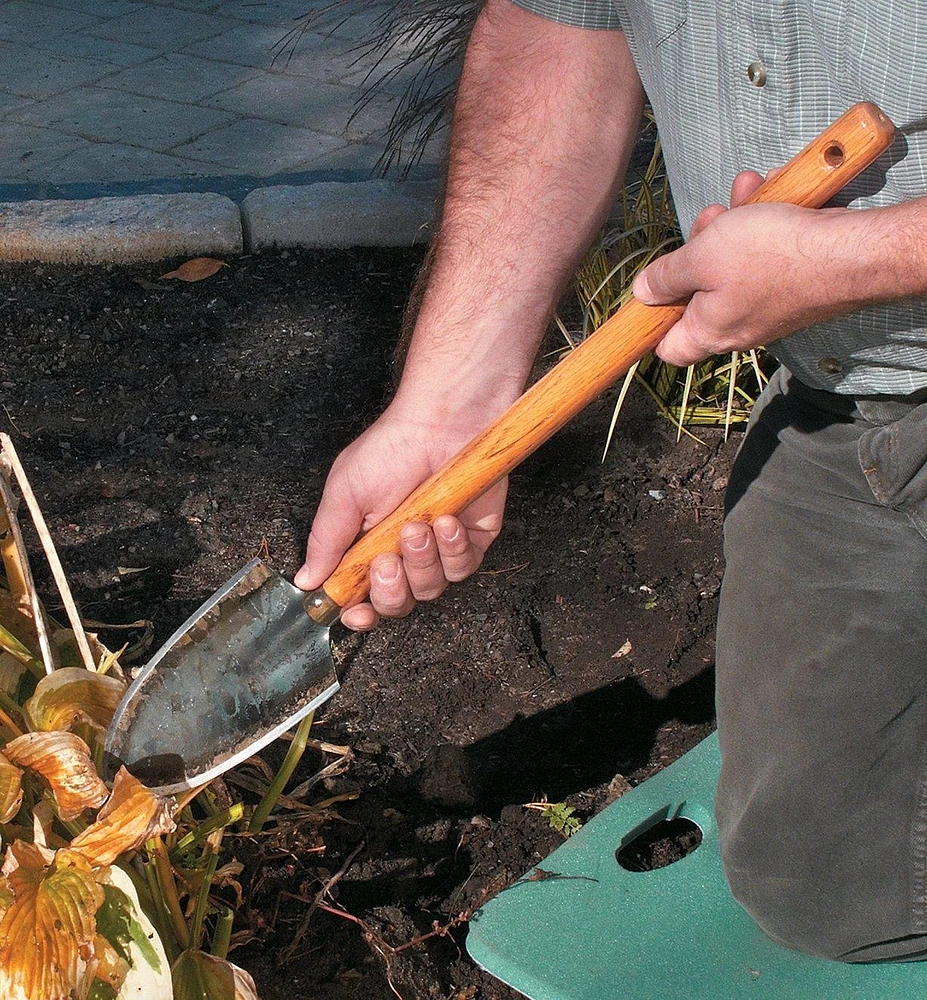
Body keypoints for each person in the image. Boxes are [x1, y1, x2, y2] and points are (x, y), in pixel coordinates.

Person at [293, 0, 927, 963]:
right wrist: (445, 405)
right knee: (832, 890)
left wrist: (861, 257)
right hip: (850, 396)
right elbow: (559, 29)